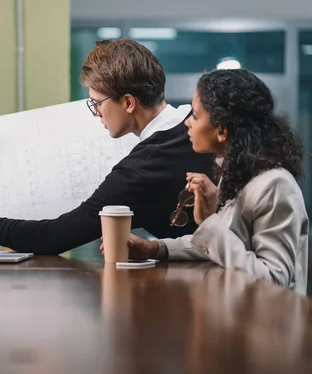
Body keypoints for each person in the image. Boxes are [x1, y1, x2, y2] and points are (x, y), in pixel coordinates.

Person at [0, 39, 215, 255]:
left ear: (127, 102)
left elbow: (55, 237)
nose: (96, 114)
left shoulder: (140, 170)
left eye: (97, 103)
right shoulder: (194, 123)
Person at [123, 69, 308, 294]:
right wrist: (154, 248)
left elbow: (273, 281)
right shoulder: (238, 176)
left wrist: (210, 222)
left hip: (266, 326)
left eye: (196, 115)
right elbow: (218, 246)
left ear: (221, 130)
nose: (187, 123)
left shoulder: (275, 185)